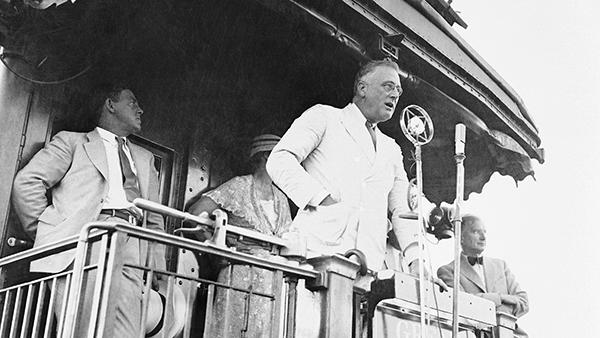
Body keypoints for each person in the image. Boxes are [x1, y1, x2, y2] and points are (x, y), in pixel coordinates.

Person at [11, 83, 166, 336]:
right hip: (87, 240)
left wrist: (155, 263)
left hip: (133, 245)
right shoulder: (72, 142)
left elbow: (155, 217)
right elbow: (28, 183)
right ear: (110, 104)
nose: (141, 110)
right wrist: (51, 233)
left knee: (128, 331)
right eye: (133, 102)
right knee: (84, 330)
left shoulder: (145, 158)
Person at [266, 58, 425, 276]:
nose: (395, 94)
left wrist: (416, 260)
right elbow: (279, 159)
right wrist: (321, 198)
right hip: (315, 256)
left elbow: (402, 209)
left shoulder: (392, 149)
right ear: (362, 88)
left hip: (368, 265)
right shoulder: (325, 117)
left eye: (398, 89)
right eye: (388, 86)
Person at [188, 134, 292, 338]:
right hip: (239, 276)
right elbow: (194, 214)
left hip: (272, 281)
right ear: (265, 156)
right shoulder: (239, 185)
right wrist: (218, 249)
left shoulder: (282, 198)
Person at [437, 214, 529, 337]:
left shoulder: (501, 266)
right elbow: (462, 303)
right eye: (476, 232)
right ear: (461, 238)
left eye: (484, 232)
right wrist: (500, 299)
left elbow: (523, 301)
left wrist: (490, 306)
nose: (483, 237)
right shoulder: (448, 271)